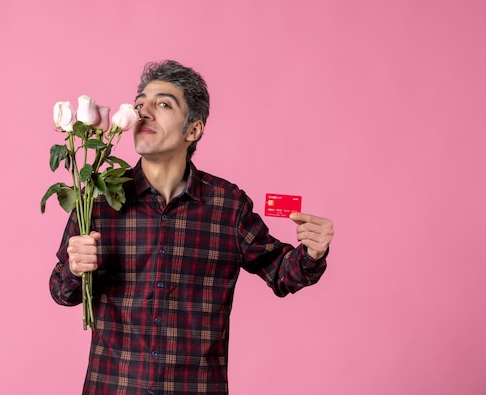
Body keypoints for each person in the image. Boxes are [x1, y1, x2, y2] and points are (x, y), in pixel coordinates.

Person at [50, 60, 334, 395]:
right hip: (114, 387)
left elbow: (282, 273)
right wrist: (73, 268)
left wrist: (313, 252)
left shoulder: (228, 205)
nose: (144, 113)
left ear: (193, 130)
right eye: (140, 104)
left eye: (163, 104)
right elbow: (60, 290)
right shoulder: (97, 199)